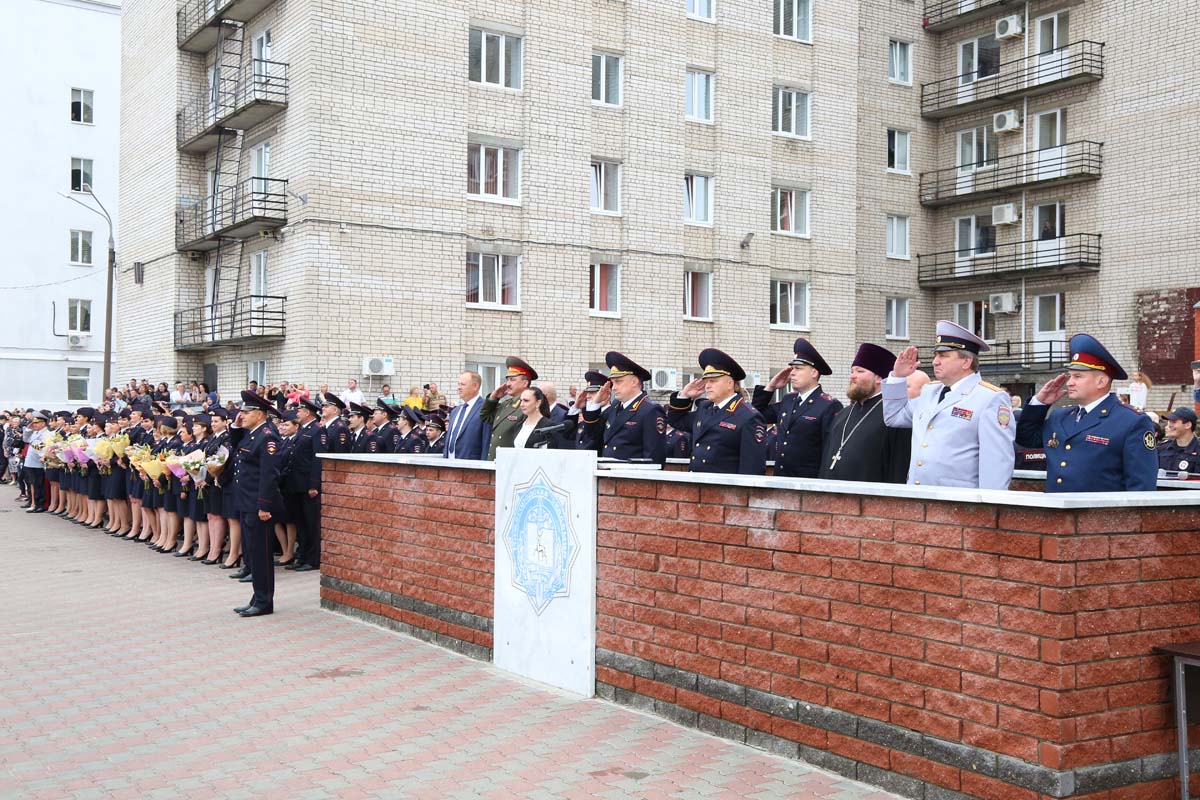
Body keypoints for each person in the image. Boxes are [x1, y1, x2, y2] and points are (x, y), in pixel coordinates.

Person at [1015, 333, 1158, 492]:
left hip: (1098, 515)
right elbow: (1026, 438)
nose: (1069, 382)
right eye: (1070, 376)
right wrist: (1039, 403)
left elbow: (1141, 486)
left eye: (1078, 376)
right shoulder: (1060, 416)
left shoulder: (1131, 421)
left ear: (1101, 381)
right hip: (1057, 514)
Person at [885, 320, 1016, 490]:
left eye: (943, 356)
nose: (935, 362)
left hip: (959, 503)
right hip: (918, 498)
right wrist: (897, 377)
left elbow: (997, 462)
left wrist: (988, 508)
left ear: (966, 362)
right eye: (935, 355)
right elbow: (893, 418)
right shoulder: (929, 392)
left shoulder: (990, 398)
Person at [818, 343, 911, 483]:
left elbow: (899, 467)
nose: (852, 377)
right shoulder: (843, 414)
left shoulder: (894, 416)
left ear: (879, 378)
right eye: (852, 371)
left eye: (859, 371)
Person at [666, 349, 767, 475]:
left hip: (724, 490)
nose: (707, 386)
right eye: (706, 381)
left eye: (713, 381)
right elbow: (676, 420)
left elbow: (752, 468)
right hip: (698, 486)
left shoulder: (748, 416)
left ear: (730, 384)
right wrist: (684, 395)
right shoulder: (705, 408)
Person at [751, 338, 842, 478]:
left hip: (807, 484)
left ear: (814, 373)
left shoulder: (829, 405)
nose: (792, 373)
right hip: (781, 479)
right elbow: (756, 416)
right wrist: (771, 387)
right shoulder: (789, 400)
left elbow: (829, 451)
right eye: (792, 368)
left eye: (798, 368)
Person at [230, 390, 284, 617]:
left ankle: (264, 602)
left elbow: (268, 474)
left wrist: (264, 505)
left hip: (258, 504)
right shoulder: (253, 433)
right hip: (247, 501)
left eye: (246, 411)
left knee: (261, 554)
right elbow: (238, 449)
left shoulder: (268, 436)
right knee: (252, 551)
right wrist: (235, 427)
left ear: (259, 414)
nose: (242, 414)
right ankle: (256, 597)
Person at [580, 353, 666, 463]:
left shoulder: (650, 410)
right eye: (613, 382)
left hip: (631, 478)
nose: (614, 387)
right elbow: (593, 434)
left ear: (634, 382)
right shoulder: (615, 406)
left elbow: (654, 458)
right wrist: (595, 404)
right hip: (610, 475)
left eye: (618, 382)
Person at [284, 397, 326, 572]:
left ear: (307, 413)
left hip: (308, 485)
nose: (297, 414)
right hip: (296, 484)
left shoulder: (317, 430)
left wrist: (314, 484)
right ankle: (302, 555)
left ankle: (312, 559)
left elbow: (318, 459)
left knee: (311, 523)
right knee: (300, 522)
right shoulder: (303, 430)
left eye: (299, 411)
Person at [481, 357, 537, 460]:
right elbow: (485, 417)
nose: (507, 384)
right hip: (496, 461)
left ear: (525, 383)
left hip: (512, 463)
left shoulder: (529, 407)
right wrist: (493, 398)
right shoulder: (506, 404)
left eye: (512, 380)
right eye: (507, 380)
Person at [444, 371, 490, 460]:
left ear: (475, 386)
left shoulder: (485, 409)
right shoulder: (455, 411)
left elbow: (486, 442)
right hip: (449, 466)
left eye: (463, 384)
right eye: (458, 384)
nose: (459, 388)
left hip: (471, 468)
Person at [21, 412, 50, 512]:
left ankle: (40, 504)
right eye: (33, 423)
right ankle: (34, 503)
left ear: (43, 423)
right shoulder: (35, 432)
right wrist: (28, 428)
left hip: (37, 463)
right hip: (30, 462)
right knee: (32, 483)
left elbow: (42, 448)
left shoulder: (46, 434)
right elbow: (25, 439)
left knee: (39, 484)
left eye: (37, 423)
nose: (34, 425)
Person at [1158, 408, 1200, 476]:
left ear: (1188, 425)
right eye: (1169, 422)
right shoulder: (1162, 448)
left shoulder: (1198, 449)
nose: (1168, 426)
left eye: (1174, 422)